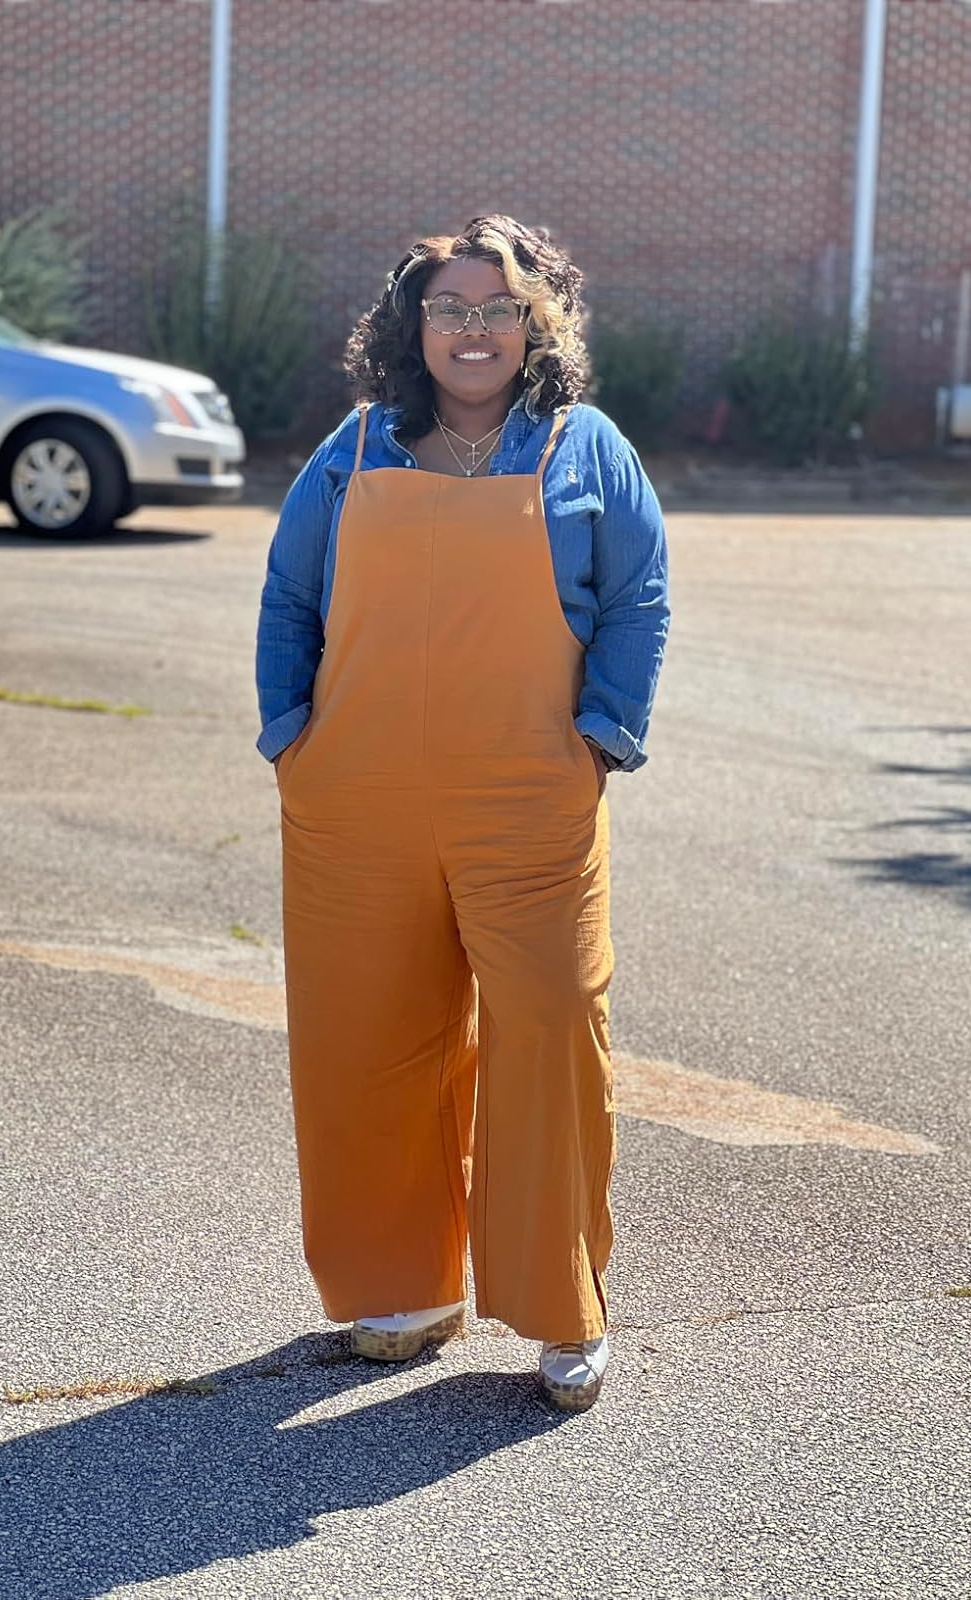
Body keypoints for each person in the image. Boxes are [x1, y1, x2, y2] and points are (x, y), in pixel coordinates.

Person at [255, 214, 670, 1412]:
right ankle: (403, 1287)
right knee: (368, 1039)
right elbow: (291, 593)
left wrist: (601, 735)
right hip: (356, 798)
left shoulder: (588, 448)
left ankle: (561, 1305)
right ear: (414, 326)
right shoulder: (356, 446)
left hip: (527, 796)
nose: (473, 328)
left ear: (539, 321)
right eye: (450, 307)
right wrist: (295, 737)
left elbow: (639, 593)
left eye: (498, 306)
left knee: (549, 1027)